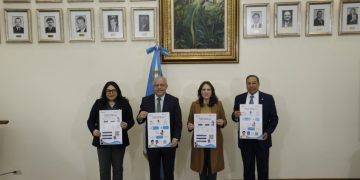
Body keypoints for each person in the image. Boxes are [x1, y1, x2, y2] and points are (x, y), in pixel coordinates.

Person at [232, 75, 279, 180]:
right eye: (249, 83)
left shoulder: (268, 98)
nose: (251, 85)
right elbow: (235, 116)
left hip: (262, 139)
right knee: (248, 171)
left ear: (258, 84)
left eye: (254, 83)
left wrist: (268, 132)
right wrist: (235, 115)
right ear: (246, 84)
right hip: (245, 141)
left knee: (263, 171)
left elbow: (274, 118)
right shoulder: (239, 98)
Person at [87, 81, 135, 180]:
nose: (111, 93)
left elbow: (131, 121)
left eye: (113, 90)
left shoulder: (124, 103)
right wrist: (94, 131)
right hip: (102, 142)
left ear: (117, 91)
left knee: (118, 169)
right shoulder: (98, 103)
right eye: (108, 91)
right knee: (104, 169)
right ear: (105, 92)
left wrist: (126, 125)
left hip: (119, 142)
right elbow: (90, 121)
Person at [137, 77, 182, 180]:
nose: (159, 87)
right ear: (153, 87)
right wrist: (140, 117)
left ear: (166, 86)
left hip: (169, 143)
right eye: (156, 85)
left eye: (162, 85)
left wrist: (176, 137)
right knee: (154, 172)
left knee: (169, 172)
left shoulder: (174, 101)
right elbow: (140, 119)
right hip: (152, 143)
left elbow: (178, 122)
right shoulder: (146, 100)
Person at [187, 81, 227, 180]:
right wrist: (189, 126)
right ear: (200, 92)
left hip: (214, 142)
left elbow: (225, 120)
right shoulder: (194, 104)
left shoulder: (218, 104)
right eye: (204, 89)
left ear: (212, 92)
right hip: (199, 142)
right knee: (202, 168)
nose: (206, 92)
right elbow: (189, 121)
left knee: (213, 168)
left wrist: (222, 122)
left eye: (208, 89)